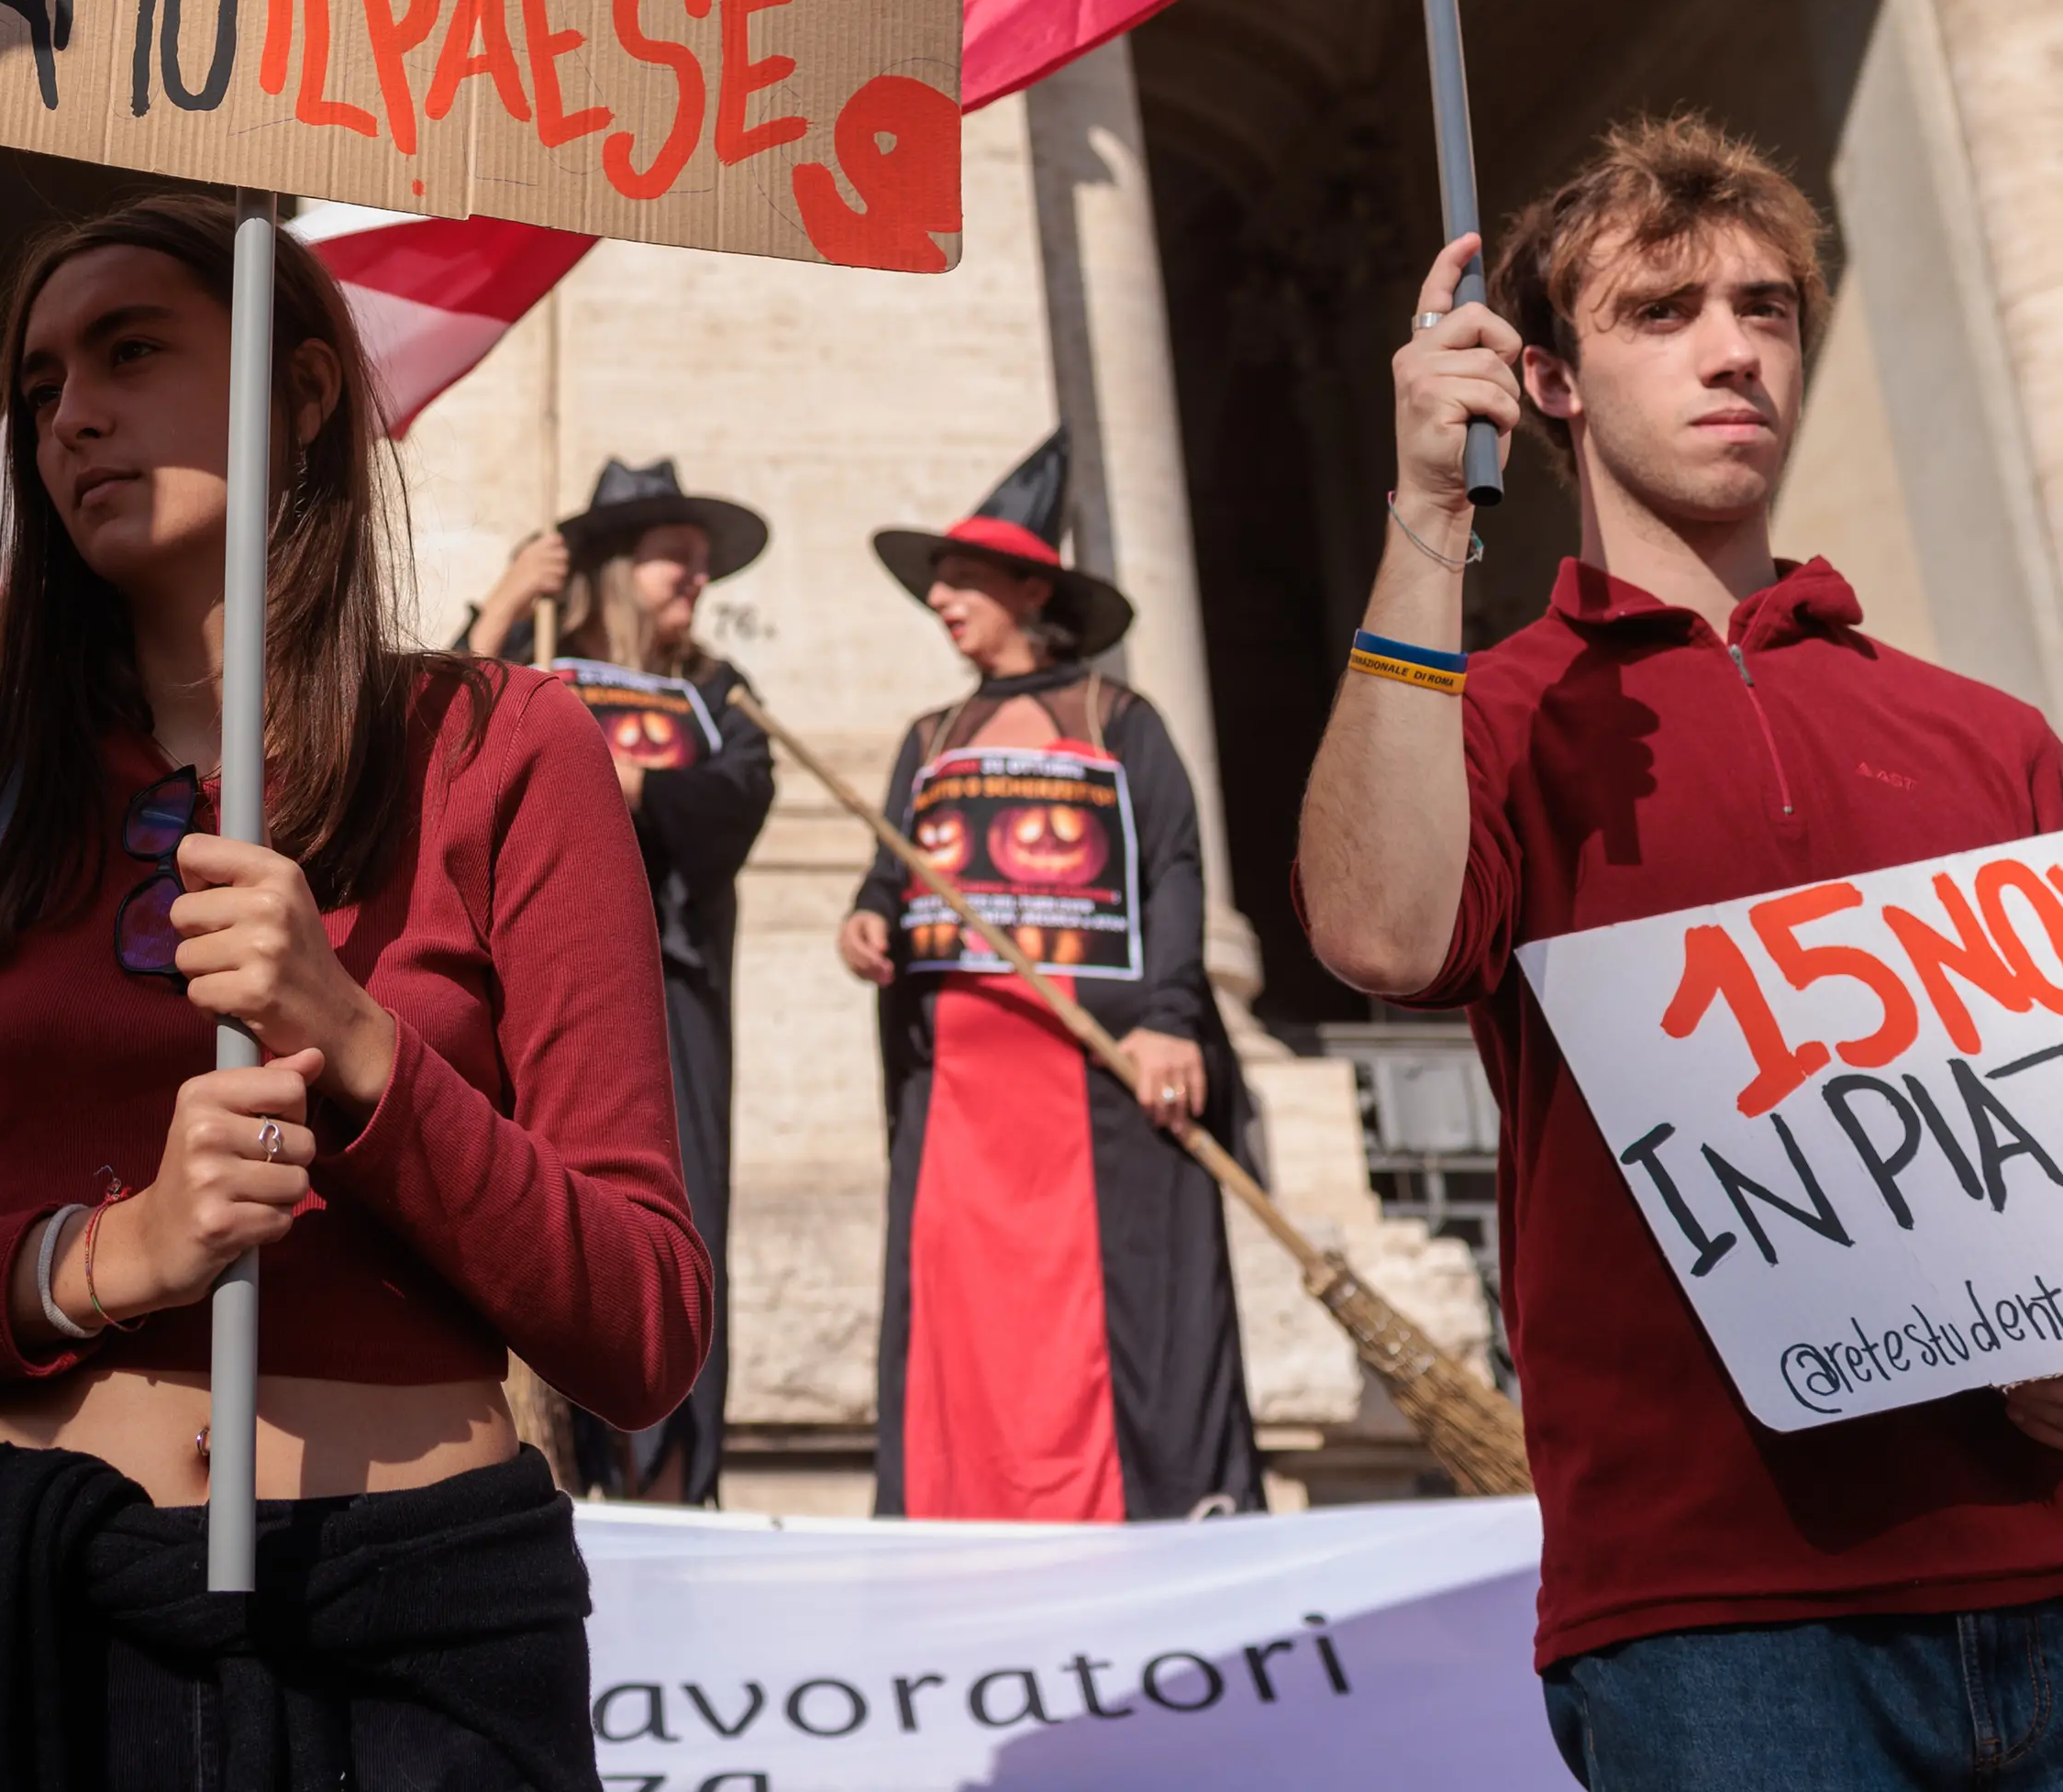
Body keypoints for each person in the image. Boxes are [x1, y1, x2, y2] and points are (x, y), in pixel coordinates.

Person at [0, 189, 708, 1790]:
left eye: (131, 353)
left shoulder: (505, 746)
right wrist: (101, 1260)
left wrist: (361, 1048)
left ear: (300, 396)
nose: (72, 417)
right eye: (39, 387)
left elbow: (647, 1329)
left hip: (415, 1638)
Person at [1301, 115, 2063, 1787]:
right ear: (1551, 383)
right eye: (1663, 313)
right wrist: (1429, 516)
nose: (1735, 350)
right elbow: (1376, 934)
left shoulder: (1989, 736)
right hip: (1714, 1617)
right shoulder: (1484, 719)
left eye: (1767, 306)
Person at [842, 428, 1257, 1521]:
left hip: (1106, 1090)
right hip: (962, 1106)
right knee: (968, 1328)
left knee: (1117, 1329)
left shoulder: (1126, 725)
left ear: (1030, 588)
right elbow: (893, 874)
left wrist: (1171, 1017)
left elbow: (1174, 871)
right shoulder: (929, 737)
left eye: (961, 581)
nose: (940, 601)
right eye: (935, 585)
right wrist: (866, 920)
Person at [468, 458, 773, 1504]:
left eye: (700, 565)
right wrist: (509, 597)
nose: (695, 581)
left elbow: (740, 795)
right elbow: (441, 738)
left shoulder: (717, 691)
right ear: (609, 569)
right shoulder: (536, 659)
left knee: (672, 1206)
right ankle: (561, 1461)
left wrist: (628, 777)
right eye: (672, 562)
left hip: (670, 985)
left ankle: (676, 1473)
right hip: (538, 981)